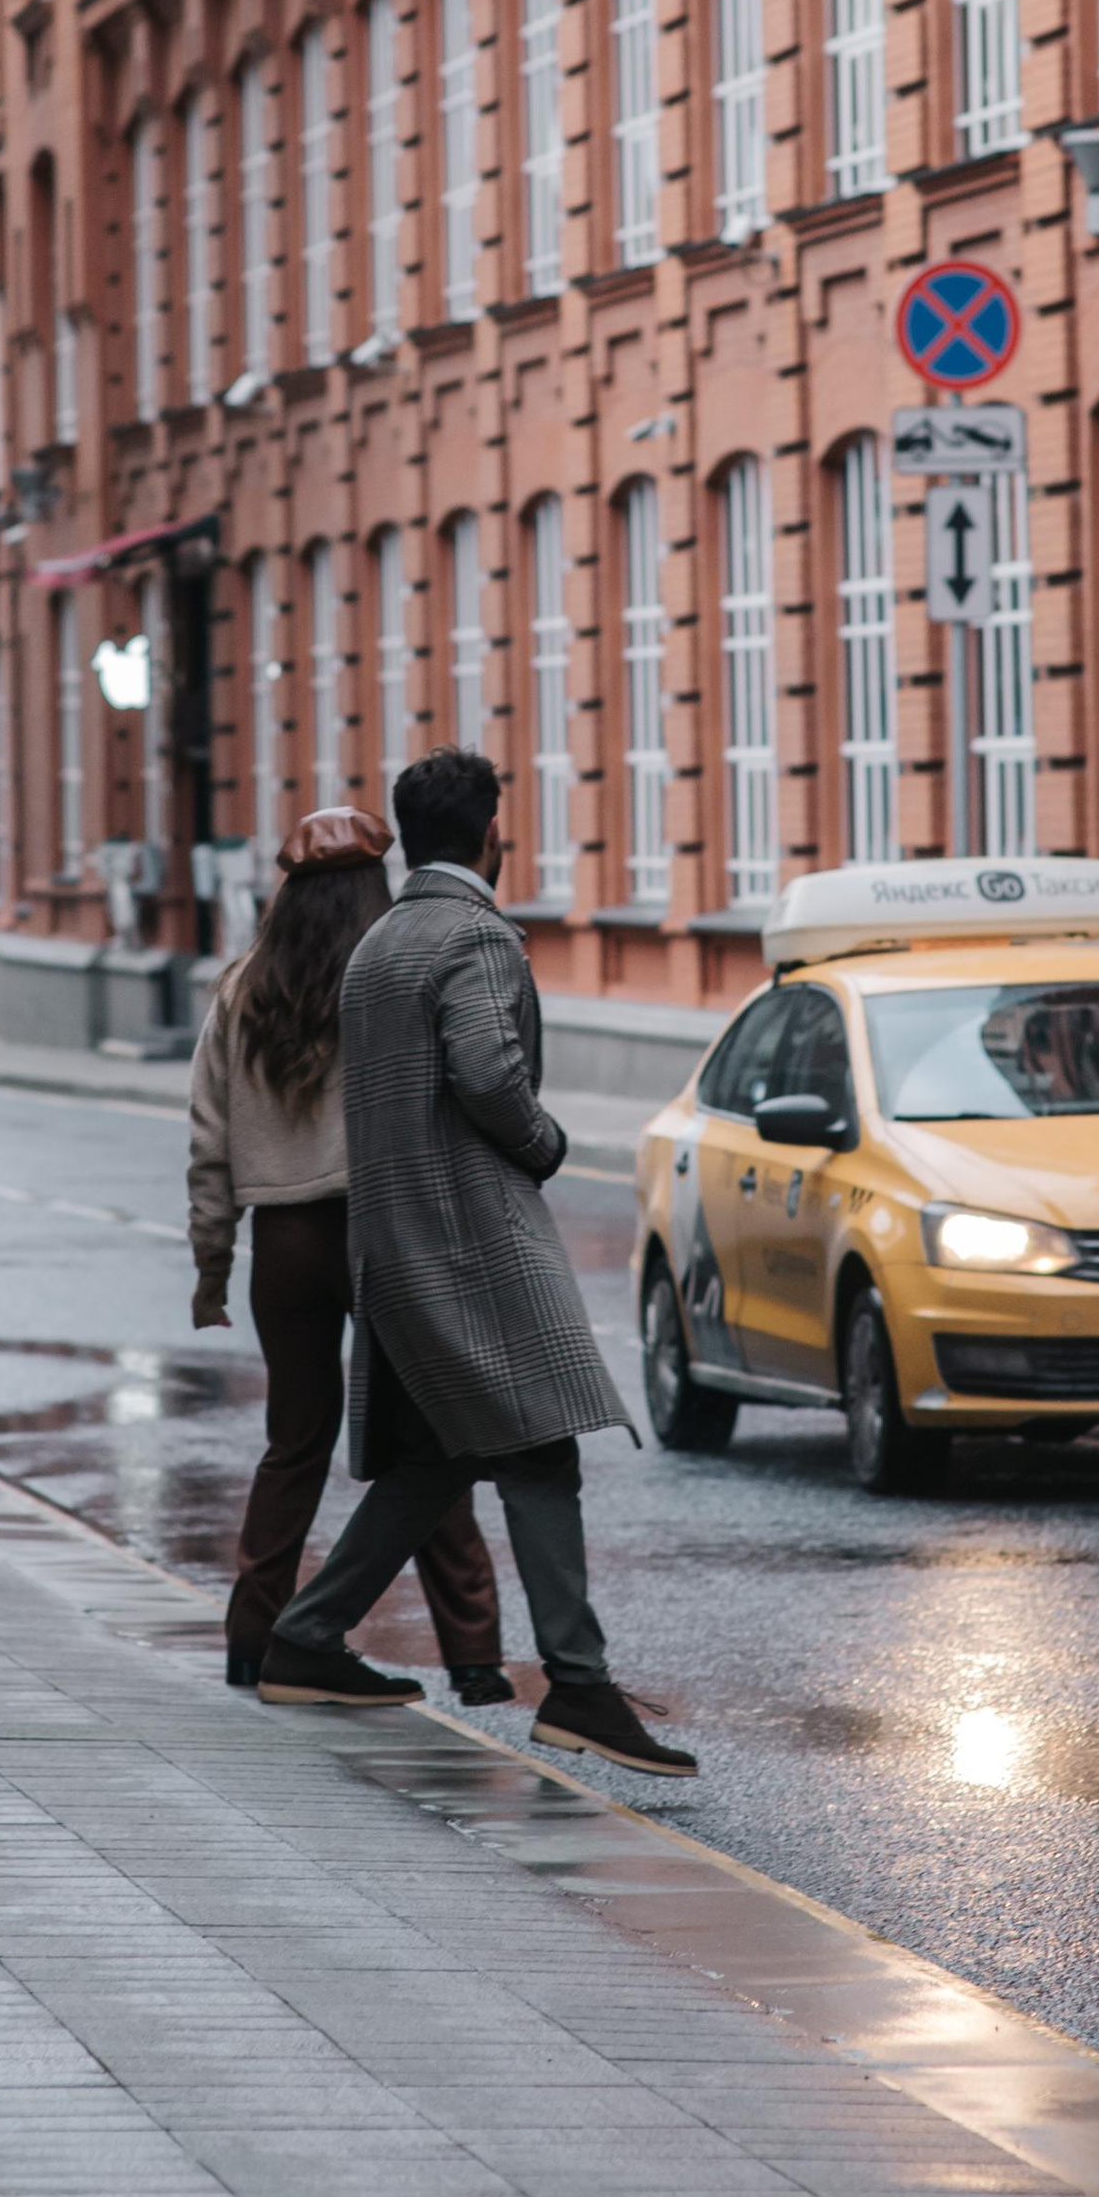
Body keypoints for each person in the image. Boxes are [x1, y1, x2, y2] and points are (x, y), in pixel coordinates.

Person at [259, 746, 695, 1779]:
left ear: (412, 834)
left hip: (392, 1242)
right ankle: (580, 1690)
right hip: (468, 1237)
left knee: (432, 1462)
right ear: (493, 832)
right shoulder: (473, 935)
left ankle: (305, 1640)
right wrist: (545, 1145)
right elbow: (489, 1073)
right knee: (543, 1444)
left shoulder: (381, 943)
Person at [189, 802, 513, 1706]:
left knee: (292, 1444)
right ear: (379, 884)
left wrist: (212, 1267)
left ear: (285, 892)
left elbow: (207, 1141)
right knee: (432, 1441)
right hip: (386, 1233)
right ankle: (476, 1655)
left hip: (283, 1245)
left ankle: (251, 1639)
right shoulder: (396, 980)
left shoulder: (241, 986)